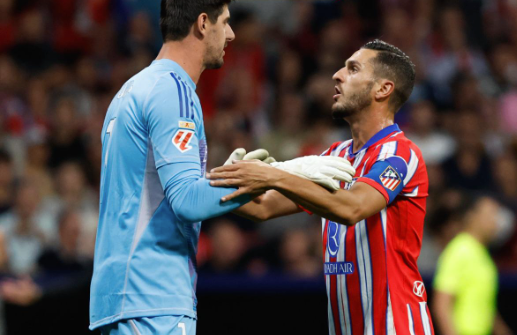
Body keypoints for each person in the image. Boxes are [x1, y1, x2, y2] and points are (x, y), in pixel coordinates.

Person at [89, 1, 350, 334]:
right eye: (224, 23)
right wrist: (287, 173)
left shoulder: (131, 91)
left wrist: (229, 175)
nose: (231, 34)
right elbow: (186, 201)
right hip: (153, 299)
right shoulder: (174, 91)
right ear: (202, 23)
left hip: (120, 300)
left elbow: (160, 194)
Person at [210, 39, 434, 335]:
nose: (337, 75)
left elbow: (352, 207)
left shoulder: (400, 154)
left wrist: (274, 175)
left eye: (353, 69)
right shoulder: (336, 156)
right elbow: (262, 207)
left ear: (383, 89)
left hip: (396, 326)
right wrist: (229, 178)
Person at [432, 196, 513, 335]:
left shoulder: (482, 253)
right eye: (490, 214)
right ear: (471, 217)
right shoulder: (459, 249)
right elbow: (441, 306)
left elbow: (485, 307)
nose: (496, 221)